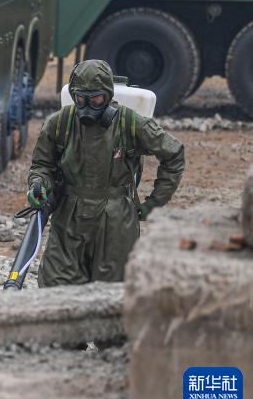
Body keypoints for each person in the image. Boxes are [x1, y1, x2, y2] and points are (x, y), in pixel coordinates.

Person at [29, 59, 185, 286]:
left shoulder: (129, 123)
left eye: (96, 100)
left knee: (112, 295)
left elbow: (174, 154)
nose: (87, 107)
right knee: (55, 289)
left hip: (116, 222)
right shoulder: (59, 123)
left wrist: (153, 204)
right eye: (81, 99)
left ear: (108, 95)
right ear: (73, 95)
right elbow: (42, 165)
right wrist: (38, 184)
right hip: (69, 220)